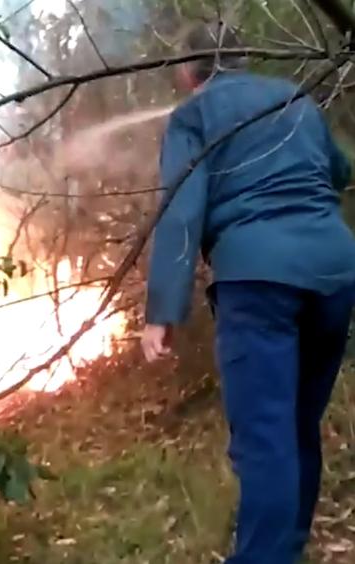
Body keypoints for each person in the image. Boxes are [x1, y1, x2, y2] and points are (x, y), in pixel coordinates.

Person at [141, 22, 355, 564]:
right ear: (242, 59)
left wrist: (163, 311)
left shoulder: (193, 115)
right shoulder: (294, 98)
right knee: (297, 425)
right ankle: (288, 547)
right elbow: (339, 169)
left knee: (265, 440)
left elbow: (181, 210)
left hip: (259, 284)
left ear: (191, 73)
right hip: (335, 272)